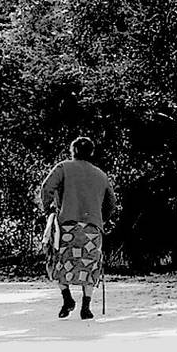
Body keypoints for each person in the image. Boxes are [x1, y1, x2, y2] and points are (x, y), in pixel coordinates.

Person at [39, 136, 116, 320]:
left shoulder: (63, 167)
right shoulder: (101, 175)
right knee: (89, 265)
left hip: (67, 226)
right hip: (93, 228)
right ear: (91, 152)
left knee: (59, 262)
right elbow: (111, 203)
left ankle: (67, 299)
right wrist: (100, 219)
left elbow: (46, 188)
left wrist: (49, 209)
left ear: (72, 151)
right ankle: (86, 306)